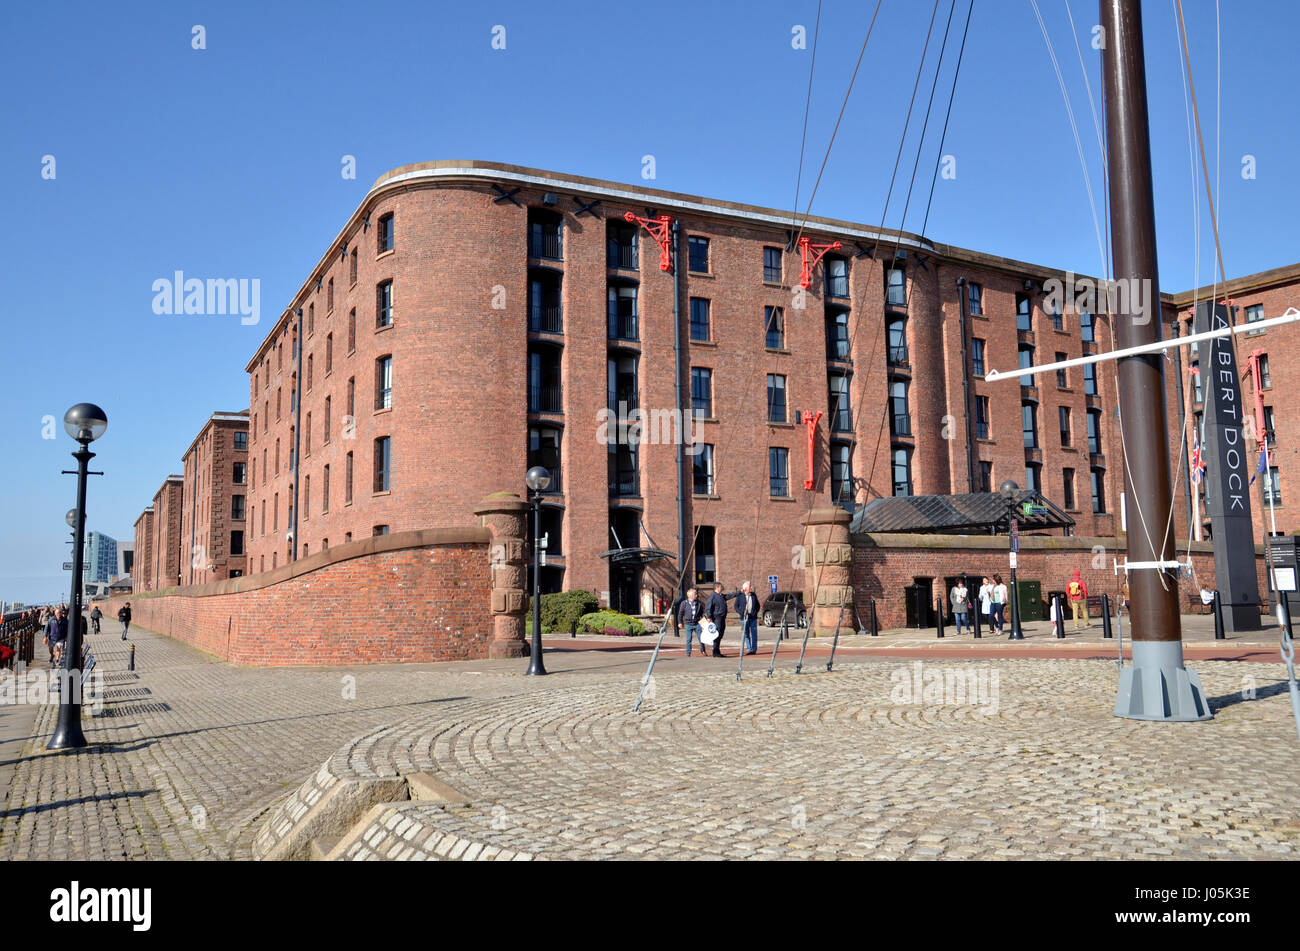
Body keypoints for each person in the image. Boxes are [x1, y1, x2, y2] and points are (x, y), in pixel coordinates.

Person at [734, 581, 760, 655]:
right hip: (744, 618)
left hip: (753, 618)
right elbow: (736, 606)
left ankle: (754, 649)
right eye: (749, 587)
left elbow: (757, 605)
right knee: (746, 634)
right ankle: (749, 648)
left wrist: (755, 612)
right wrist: (741, 613)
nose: (751, 588)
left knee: (754, 633)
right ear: (745, 588)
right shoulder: (740, 596)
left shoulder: (753, 595)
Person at [679, 587, 705, 657]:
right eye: (695, 594)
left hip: (697, 623)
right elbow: (680, 613)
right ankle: (688, 653)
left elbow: (702, 614)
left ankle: (703, 650)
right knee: (689, 639)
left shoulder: (699, 603)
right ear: (690, 596)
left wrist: (703, 625)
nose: (696, 595)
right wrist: (680, 622)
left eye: (696, 594)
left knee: (701, 638)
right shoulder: (684, 603)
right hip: (688, 624)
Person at [704, 582, 728, 657]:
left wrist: (739, 592)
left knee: (720, 634)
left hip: (722, 618)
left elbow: (729, 596)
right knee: (717, 634)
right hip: (717, 618)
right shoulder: (713, 596)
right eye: (721, 587)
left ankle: (717, 650)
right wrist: (709, 617)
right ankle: (715, 652)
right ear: (717, 588)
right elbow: (708, 607)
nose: (722, 588)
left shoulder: (720, 596)